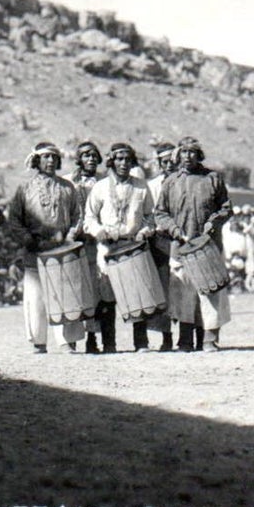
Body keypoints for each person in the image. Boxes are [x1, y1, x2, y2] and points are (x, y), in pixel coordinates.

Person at [5, 142, 90, 353]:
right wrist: (29, 241)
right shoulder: (24, 189)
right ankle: (39, 341)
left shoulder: (67, 187)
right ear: (37, 161)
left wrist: (70, 236)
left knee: (66, 294)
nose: (50, 161)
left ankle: (66, 342)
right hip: (35, 250)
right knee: (36, 298)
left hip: (63, 249)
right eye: (46, 157)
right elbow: (15, 220)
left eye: (54, 157)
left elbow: (77, 215)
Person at [154, 136, 233, 351]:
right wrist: (175, 230)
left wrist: (213, 223)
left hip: (208, 246)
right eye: (184, 152)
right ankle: (185, 340)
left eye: (192, 152)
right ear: (177, 155)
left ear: (199, 155)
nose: (187, 156)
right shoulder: (171, 182)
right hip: (180, 247)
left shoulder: (212, 178)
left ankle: (209, 339)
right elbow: (160, 213)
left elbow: (226, 207)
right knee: (183, 293)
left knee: (210, 292)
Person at [83, 142, 161, 351]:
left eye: (127, 159)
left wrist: (144, 231)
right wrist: (99, 232)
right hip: (107, 247)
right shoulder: (100, 187)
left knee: (137, 294)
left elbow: (149, 217)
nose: (123, 163)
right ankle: (109, 343)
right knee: (107, 296)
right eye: (119, 159)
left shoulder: (141, 186)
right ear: (111, 161)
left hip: (133, 246)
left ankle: (141, 342)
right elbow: (89, 218)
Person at [70, 140, 119, 353]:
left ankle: (108, 340)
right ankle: (81, 340)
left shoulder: (107, 182)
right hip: (80, 244)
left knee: (107, 290)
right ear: (79, 159)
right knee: (84, 293)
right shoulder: (70, 184)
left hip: (102, 242)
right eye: (85, 155)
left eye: (93, 155)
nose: (90, 159)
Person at [145, 141, 179, 350]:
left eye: (171, 161)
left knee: (181, 286)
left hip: (179, 239)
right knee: (162, 288)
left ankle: (188, 332)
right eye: (164, 162)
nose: (168, 165)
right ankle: (165, 335)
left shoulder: (182, 182)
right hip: (158, 241)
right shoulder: (151, 186)